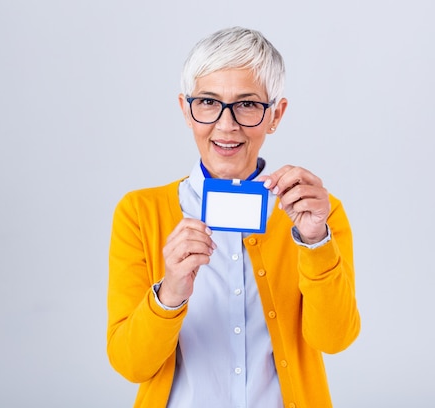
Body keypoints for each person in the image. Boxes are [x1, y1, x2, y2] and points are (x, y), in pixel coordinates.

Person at [107, 26, 360, 408]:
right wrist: (169, 293)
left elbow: (335, 339)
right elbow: (130, 364)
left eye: (247, 104)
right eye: (208, 102)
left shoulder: (316, 213)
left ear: (276, 114)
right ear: (185, 110)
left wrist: (315, 242)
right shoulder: (140, 213)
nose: (226, 125)